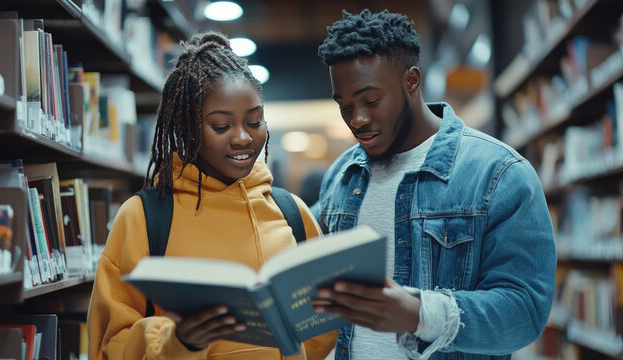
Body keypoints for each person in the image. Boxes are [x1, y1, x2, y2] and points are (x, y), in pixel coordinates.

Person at [311, 9, 556, 360]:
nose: (357, 119)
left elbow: (525, 312)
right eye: (344, 106)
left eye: (370, 101)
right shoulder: (341, 175)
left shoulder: (499, 173)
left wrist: (419, 313)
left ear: (411, 81)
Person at [87, 31, 337, 360]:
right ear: (188, 128)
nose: (243, 138)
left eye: (255, 121)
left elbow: (319, 335)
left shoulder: (293, 213)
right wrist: (180, 341)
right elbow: (110, 342)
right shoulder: (143, 218)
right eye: (221, 126)